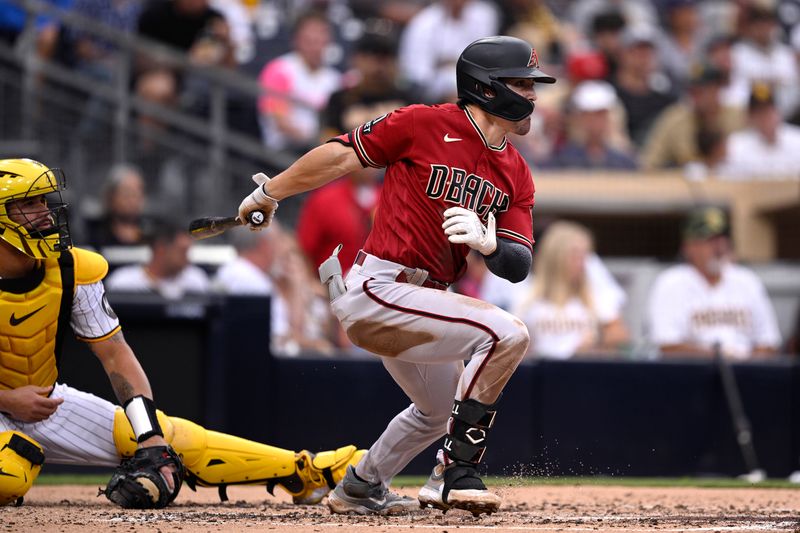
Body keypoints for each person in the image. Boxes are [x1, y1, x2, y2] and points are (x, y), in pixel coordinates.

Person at [238, 35, 554, 516]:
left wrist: (490, 246)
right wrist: (270, 194)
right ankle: (454, 471)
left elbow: (518, 265)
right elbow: (341, 155)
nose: (532, 95)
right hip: (380, 287)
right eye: (521, 83)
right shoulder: (425, 122)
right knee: (507, 333)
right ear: (487, 89)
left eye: (532, 85)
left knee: (437, 410)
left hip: (426, 302)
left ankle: (362, 485)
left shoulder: (517, 172)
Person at [0, 158, 363, 508]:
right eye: (28, 204)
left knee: (163, 437)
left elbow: (115, 355)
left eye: (43, 201)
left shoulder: (71, 269)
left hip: (42, 403)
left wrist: (150, 438)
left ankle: (306, 470)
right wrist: (8, 401)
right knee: (9, 475)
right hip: (10, 405)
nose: (45, 212)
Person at [646, 206, 781, 359]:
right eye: (710, 240)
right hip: (692, 375)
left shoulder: (747, 280)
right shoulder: (671, 282)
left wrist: (747, 366)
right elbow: (668, 347)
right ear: (688, 247)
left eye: (723, 239)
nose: (719, 247)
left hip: (747, 374)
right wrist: (721, 358)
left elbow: (769, 343)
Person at [513, 221, 629, 359]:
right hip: (542, 374)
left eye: (584, 255)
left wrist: (596, 341)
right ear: (556, 257)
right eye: (575, 255)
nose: (582, 263)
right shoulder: (525, 297)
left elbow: (620, 335)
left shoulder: (595, 295)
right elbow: (512, 345)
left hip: (580, 372)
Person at [105, 220, 210, 300]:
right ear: (161, 249)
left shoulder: (196, 280)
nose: (187, 259)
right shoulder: (123, 282)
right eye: (182, 251)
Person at [718, 82, 800, 180]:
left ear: (777, 112)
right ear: (750, 117)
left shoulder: (797, 140)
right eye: (758, 113)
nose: (764, 117)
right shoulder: (735, 146)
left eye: (768, 111)